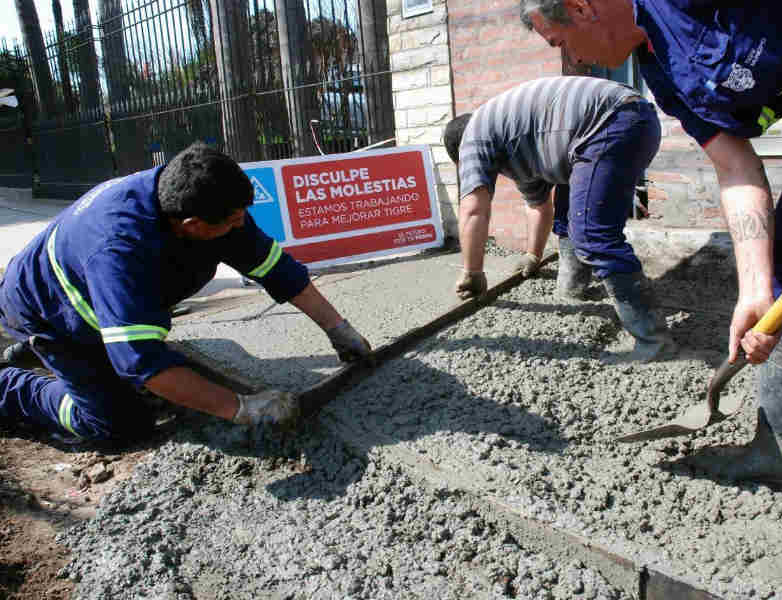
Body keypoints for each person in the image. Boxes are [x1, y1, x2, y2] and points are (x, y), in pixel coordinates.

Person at [520, 0, 782, 585]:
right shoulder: (665, 74)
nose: (570, 59)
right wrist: (752, 290)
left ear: (582, 7)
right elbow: (736, 170)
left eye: (559, 42)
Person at [0, 142, 373, 443]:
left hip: (96, 293)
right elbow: (140, 362)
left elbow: (279, 271)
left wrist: (337, 327)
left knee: (143, 370)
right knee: (116, 425)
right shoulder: (121, 251)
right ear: (192, 225)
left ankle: (47, 357)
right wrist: (241, 408)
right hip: (46, 313)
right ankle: (12, 384)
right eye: (232, 221)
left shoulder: (206, 199)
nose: (240, 224)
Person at [443, 75, 676, 361]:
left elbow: (474, 209)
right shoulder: (514, 144)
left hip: (613, 121)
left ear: (461, 156)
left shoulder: (473, 137)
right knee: (568, 217)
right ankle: (574, 288)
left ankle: (654, 343)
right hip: (623, 120)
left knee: (592, 234)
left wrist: (473, 273)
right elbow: (539, 206)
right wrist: (532, 255)